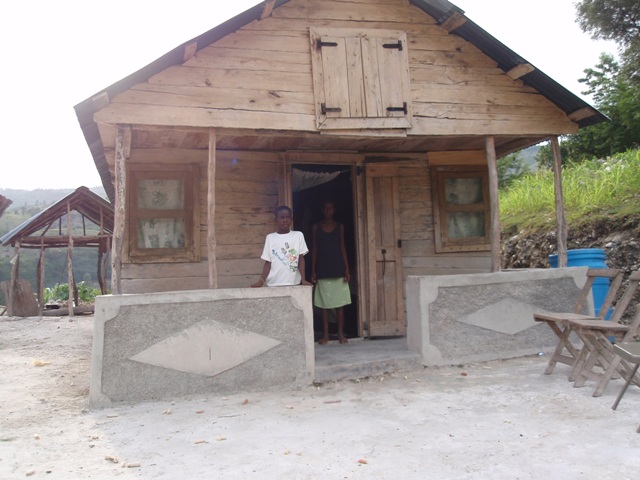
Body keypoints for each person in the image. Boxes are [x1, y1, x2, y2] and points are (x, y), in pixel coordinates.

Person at [311, 200, 351, 344]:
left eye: (331, 208)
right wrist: (313, 270)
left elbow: (342, 247)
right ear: (322, 210)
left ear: (334, 210)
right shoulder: (316, 227)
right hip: (323, 268)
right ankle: (326, 335)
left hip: (338, 267)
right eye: (326, 209)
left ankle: (340, 334)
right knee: (324, 305)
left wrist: (346, 268)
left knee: (340, 304)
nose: (328, 211)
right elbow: (315, 248)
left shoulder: (340, 226)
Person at [251, 205, 310, 287]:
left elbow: (301, 259)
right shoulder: (270, 238)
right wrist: (261, 281)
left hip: (293, 282)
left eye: (288, 217)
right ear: (276, 220)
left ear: (291, 219)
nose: (285, 220)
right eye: (282, 217)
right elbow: (268, 262)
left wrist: (303, 279)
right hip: (274, 283)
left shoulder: (298, 235)